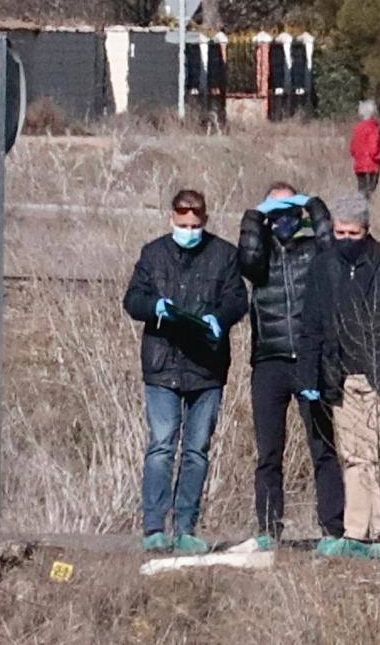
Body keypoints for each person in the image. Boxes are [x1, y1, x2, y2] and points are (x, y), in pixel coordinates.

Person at [298, 193, 380, 558]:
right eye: (339, 232)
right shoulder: (323, 267)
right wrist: (309, 376)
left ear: (367, 231)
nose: (345, 239)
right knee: (354, 455)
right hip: (342, 375)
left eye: (353, 233)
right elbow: (311, 326)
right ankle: (356, 532)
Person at [123, 189, 248, 555]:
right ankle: (154, 526)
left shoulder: (224, 255)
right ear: (171, 220)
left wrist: (219, 319)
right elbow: (132, 299)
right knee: (161, 447)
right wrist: (154, 307)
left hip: (206, 368)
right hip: (163, 365)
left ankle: (186, 526)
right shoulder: (153, 253)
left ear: (205, 221)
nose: (188, 231)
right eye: (182, 225)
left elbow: (237, 299)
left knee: (196, 450)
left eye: (194, 225)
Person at [236, 182, 345, 549]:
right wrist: (255, 216)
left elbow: (334, 252)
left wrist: (314, 206)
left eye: (289, 211)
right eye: (274, 212)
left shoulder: (314, 249)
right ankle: (269, 528)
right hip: (269, 359)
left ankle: (333, 527)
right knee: (269, 451)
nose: (282, 219)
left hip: (310, 357)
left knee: (323, 446)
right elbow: (247, 259)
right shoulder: (260, 252)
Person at [349, 100, 380, 197]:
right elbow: (374, 149)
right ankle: (366, 211)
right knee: (369, 194)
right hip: (371, 166)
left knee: (362, 192)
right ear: (373, 113)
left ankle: (359, 210)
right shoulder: (373, 128)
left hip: (359, 166)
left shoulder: (358, 128)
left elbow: (352, 149)